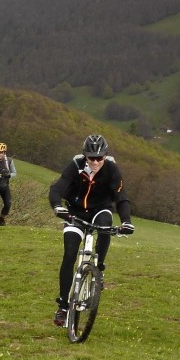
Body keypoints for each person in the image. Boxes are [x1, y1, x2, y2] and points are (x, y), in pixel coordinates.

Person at [48, 134, 134, 326]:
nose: (95, 162)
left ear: (105, 155)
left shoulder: (111, 169)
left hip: (99, 209)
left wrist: (127, 221)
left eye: (99, 158)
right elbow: (57, 188)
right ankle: (63, 305)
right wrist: (57, 207)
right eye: (91, 157)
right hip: (75, 212)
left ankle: (99, 267)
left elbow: (121, 197)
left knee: (105, 225)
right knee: (69, 255)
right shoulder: (76, 165)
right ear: (85, 155)